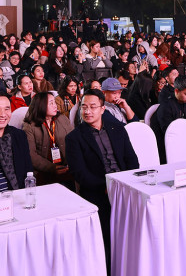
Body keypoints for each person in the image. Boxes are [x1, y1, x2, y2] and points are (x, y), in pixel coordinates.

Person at [65, 89, 139, 266]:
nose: (87, 111)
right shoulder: (74, 138)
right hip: (98, 191)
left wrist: (126, 183)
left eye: (92, 107)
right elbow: (79, 173)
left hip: (124, 187)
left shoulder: (118, 129)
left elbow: (132, 160)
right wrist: (106, 186)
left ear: (102, 109)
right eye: (84, 107)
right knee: (106, 238)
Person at [23, 91, 74, 186]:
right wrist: (52, 168)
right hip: (43, 171)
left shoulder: (62, 119)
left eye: (54, 102)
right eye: (51, 103)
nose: (55, 106)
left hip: (65, 167)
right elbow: (31, 155)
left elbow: (73, 141)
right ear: (41, 105)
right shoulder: (29, 126)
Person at [152, 74, 186, 163]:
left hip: (184, 142)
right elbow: (168, 131)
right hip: (167, 148)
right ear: (176, 91)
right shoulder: (166, 106)